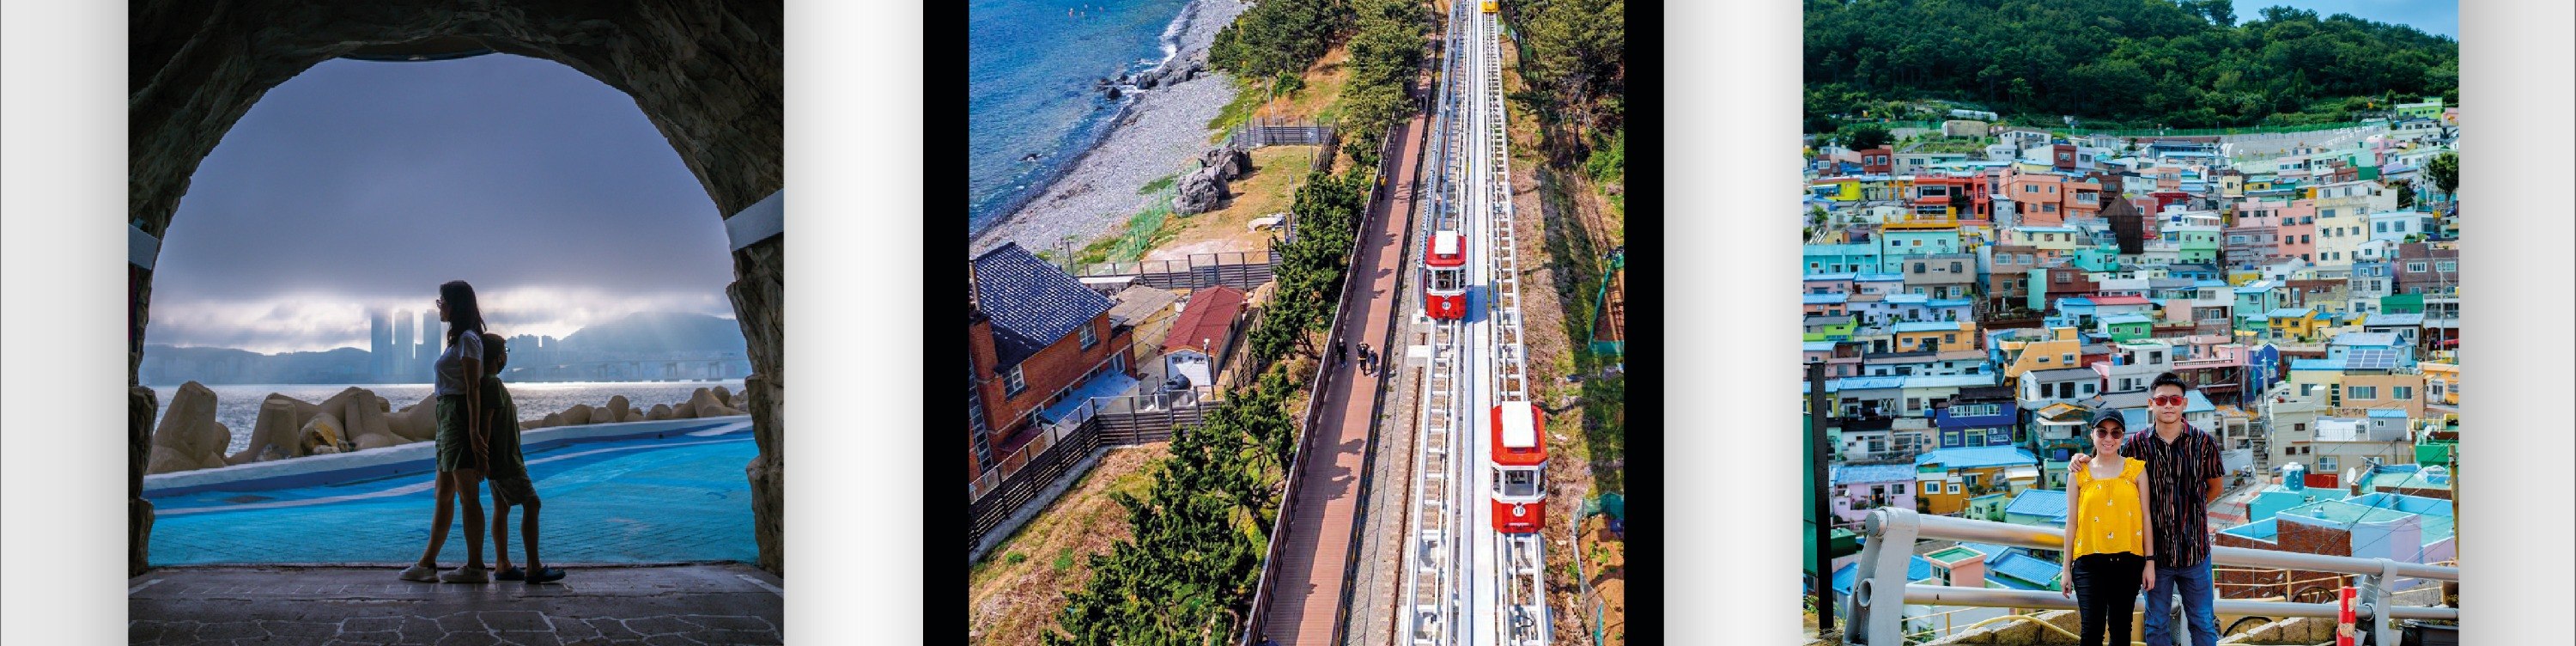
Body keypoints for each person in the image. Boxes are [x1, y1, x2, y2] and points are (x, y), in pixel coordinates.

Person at [2072, 372, 2226, 646]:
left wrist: (2192, 512)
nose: (2168, 405)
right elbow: (2108, 458)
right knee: (2155, 624)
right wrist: (2080, 459)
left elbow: (2215, 487)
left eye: (2175, 399)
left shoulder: (2204, 443)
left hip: (2195, 550)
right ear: (2150, 403)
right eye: (2162, 399)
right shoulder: (2136, 446)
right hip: (2155, 557)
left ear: (2184, 404)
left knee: (2203, 622)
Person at [400, 280, 495, 583]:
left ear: (456, 305)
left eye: (442, 301)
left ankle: (477, 567)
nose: (439, 306)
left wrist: (474, 433)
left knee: (468, 495)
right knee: (443, 494)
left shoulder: (468, 340)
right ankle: (427, 564)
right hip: (447, 419)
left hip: (458, 418)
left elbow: (473, 388)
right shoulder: (457, 342)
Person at [2061, 409, 2155, 646]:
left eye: (2116, 432)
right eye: (2102, 431)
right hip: (2088, 562)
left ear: (2123, 436)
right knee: (2091, 632)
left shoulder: (2136, 470)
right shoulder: (2078, 473)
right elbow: (2071, 522)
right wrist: (2065, 568)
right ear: (2092, 434)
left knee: (2122, 631)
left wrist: (2150, 562)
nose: (2108, 438)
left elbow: (2146, 517)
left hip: (2128, 560)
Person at [476, 332, 564, 584]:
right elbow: (486, 423)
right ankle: (533, 567)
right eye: (504, 351)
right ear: (496, 357)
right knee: (532, 503)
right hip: (505, 461)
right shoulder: (492, 384)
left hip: (499, 460)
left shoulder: (488, 382)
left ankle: (503, 565)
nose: (506, 356)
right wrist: (483, 456)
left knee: (501, 508)